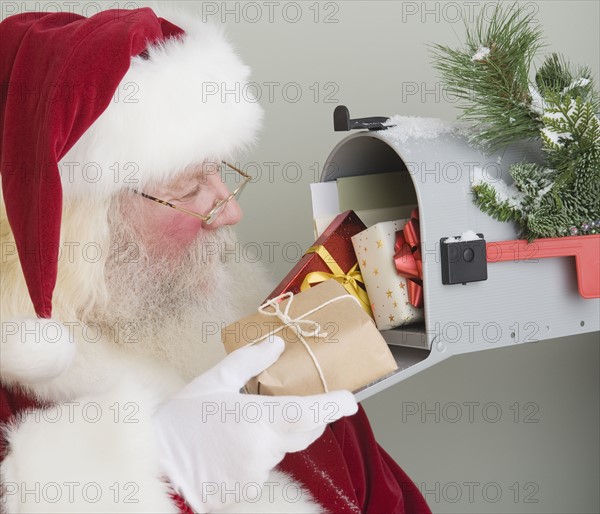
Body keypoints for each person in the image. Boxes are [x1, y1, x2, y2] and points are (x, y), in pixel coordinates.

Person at [0, 6, 431, 513]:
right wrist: (169, 473)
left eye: (220, 172)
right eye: (188, 186)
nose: (231, 211)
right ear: (79, 224)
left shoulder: (267, 335)